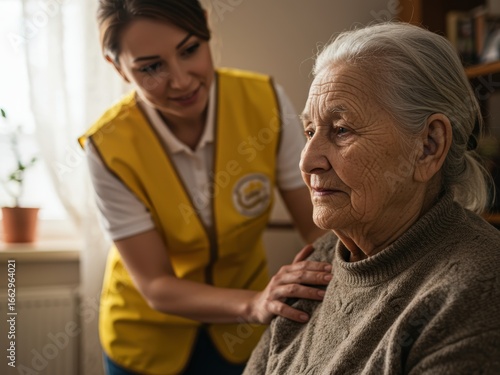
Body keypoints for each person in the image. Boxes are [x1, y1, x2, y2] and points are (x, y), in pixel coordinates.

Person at [78, 0, 329, 374]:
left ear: (208, 33)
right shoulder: (107, 146)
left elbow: (315, 223)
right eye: (151, 67)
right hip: (146, 339)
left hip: (242, 336)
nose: (180, 80)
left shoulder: (264, 102)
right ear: (118, 68)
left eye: (190, 50)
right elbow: (156, 283)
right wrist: (255, 303)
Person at [243, 22, 500, 374]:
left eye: (342, 130)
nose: (307, 160)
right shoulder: (319, 261)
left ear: (428, 147)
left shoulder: (475, 294)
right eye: (309, 131)